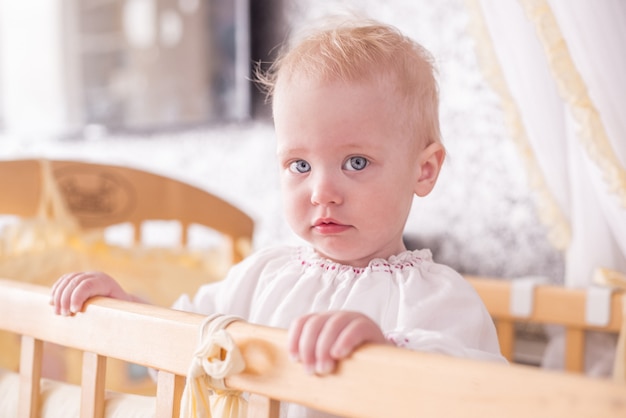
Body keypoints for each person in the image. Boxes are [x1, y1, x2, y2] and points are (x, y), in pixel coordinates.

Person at [51, 16, 506, 417]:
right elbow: (185, 346)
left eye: (356, 162)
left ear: (423, 170)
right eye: (300, 166)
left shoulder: (436, 296)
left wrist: (387, 354)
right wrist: (125, 310)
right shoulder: (262, 275)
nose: (322, 192)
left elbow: (483, 392)